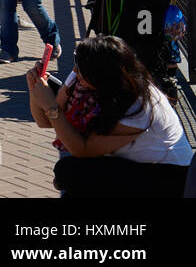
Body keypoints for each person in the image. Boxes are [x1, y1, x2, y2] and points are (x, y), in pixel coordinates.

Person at [26, 36, 193, 198]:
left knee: (72, 173)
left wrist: (50, 106)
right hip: (132, 165)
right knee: (70, 173)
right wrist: (35, 89)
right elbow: (45, 121)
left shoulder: (140, 104)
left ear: (104, 76)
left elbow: (82, 149)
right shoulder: (84, 71)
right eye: (76, 66)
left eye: (81, 71)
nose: (76, 72)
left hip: (169, 176)